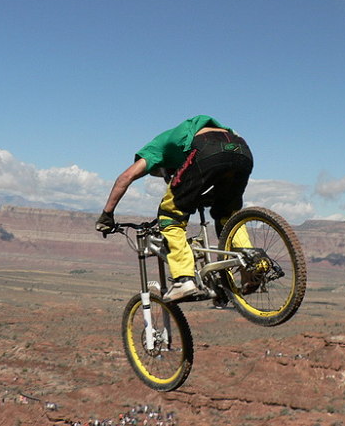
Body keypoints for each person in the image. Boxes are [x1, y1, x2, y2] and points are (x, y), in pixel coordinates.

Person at [95, 115, 253, 301]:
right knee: (227, 213)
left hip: (207, 148)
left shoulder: (153, 150)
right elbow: (211, 172)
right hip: (241, 150)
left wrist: (107, 215)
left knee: (170, 215)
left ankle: (183, 279)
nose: (168, 175)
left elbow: (125, 177)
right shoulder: (183, 141)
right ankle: (252, 265)